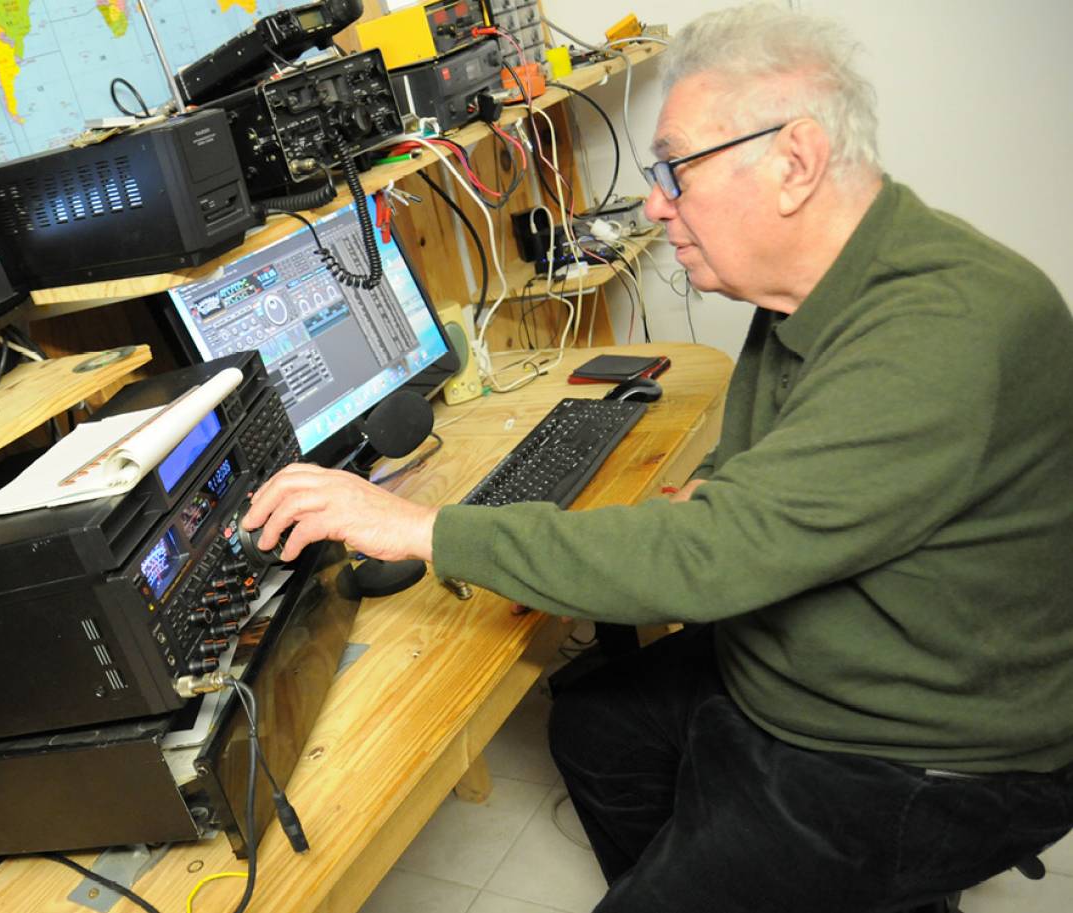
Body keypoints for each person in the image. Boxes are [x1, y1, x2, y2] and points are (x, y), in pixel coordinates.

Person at [242, 4, 1073, 911]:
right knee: (596, 726)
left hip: (919, 747)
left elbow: (707, 559)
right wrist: (723, 490)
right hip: (829, 668)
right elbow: (798, 459)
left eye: (674, 169)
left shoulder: (942, 326)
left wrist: (418, 524)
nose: (653, 202)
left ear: (794, 161)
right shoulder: (821, 280)